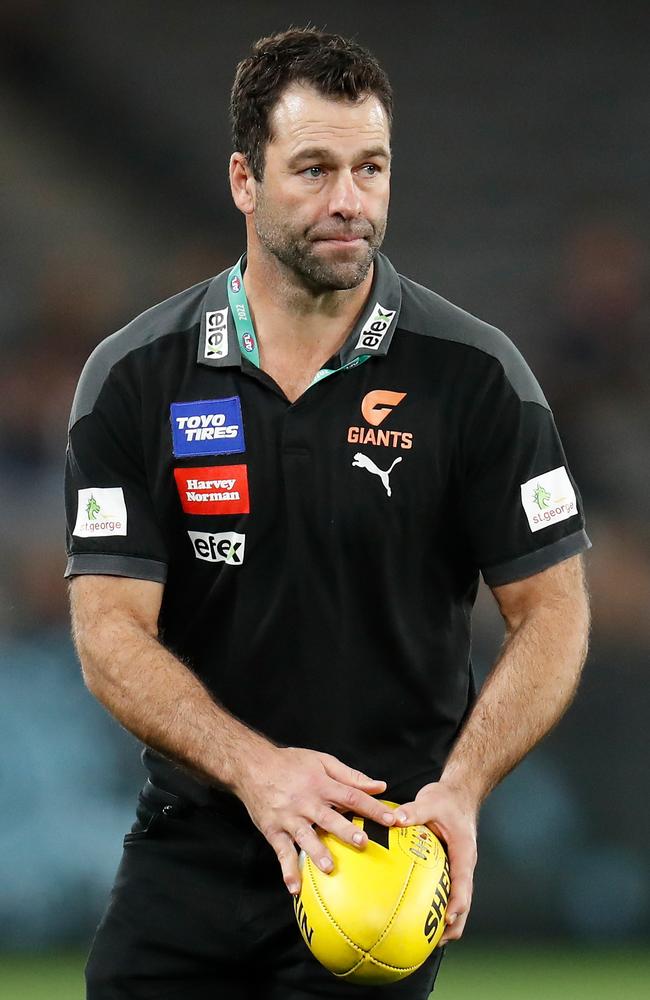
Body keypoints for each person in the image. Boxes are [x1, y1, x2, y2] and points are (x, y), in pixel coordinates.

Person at [64, 28, 591, 1000]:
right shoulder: (134, 378)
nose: (348, 200)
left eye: (369, 167)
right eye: (312, 168)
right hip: (191, 848)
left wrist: (463, 788)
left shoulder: (475, 378)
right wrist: (260, 772)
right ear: (242, 181)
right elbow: (107, 630)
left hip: (381, 861)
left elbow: (552, 611)